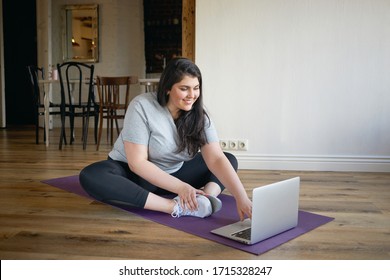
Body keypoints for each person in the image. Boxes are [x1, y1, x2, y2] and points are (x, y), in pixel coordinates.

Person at [79, 57, 252, 220]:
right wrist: (180, 188)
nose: (192, 94)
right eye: (184, 88)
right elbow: (137, 163)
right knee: (91, 175)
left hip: (173, 172)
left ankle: (203, 200)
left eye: (196, 87)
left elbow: (215, 158)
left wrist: (242, 198)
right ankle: (175, 206)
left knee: (228, 159)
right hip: (135, 175)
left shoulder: (200, 116)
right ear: (168, 88)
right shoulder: (142, 105)